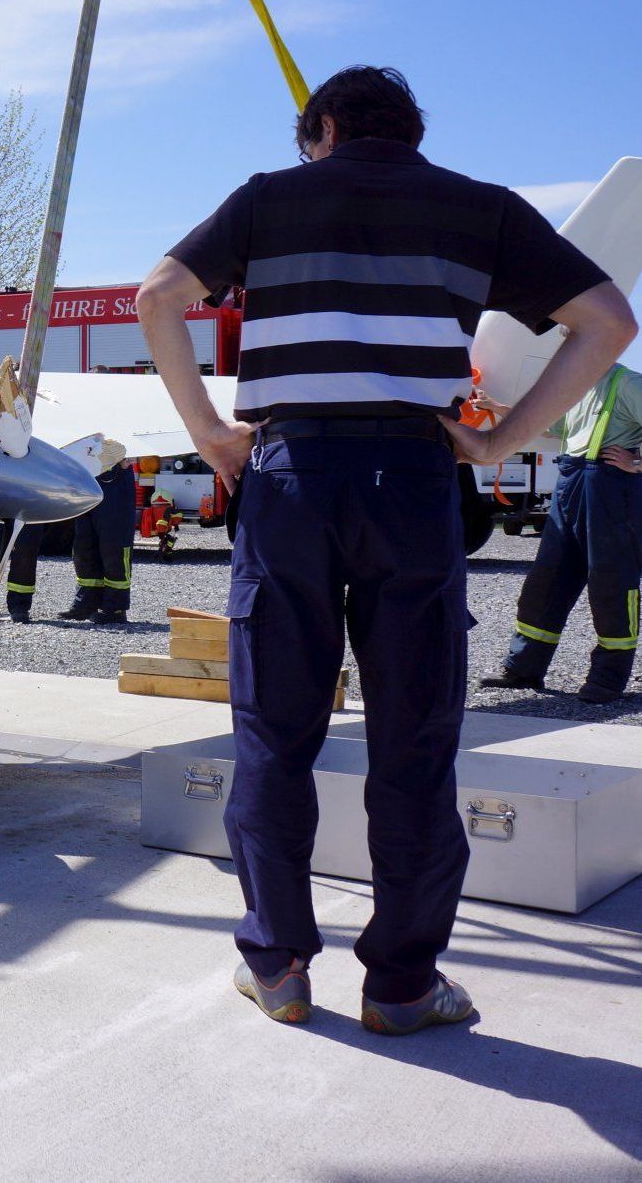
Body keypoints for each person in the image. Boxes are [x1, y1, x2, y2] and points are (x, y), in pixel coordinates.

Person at [135, 66, 632, 1034]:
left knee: (274, 736)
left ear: (320, 127)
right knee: (412, 741)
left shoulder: (267, 200)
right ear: (407, 130)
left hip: (289, 476)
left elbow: (160, 295)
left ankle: (275, 965)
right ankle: (401, 984)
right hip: (410, 480)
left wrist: (206, 432)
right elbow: (606, 322)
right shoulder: (478, 209)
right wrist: (498, 441)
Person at [481, 363, 642, 703]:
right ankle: (523, 668)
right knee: (547, 579)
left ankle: (607, 679)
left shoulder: (628, 384)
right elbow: (550, 426)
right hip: (571, 484)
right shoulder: (577, 383)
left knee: (611, 583)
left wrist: (637, 463)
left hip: (612, 491)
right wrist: (496, 408)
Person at [59, 443, 137, 624]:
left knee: (114, 547)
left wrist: (131, 456)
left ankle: (115, 607)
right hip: (87, 475)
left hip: (116, 477)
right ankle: (86, 603)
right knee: (84, 546)